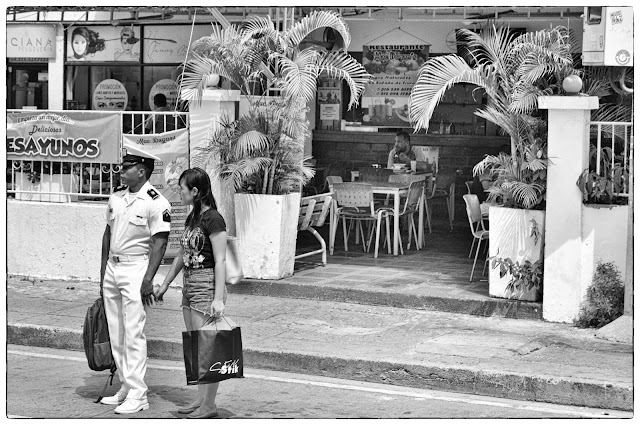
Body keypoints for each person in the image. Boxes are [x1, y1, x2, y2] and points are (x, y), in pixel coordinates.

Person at [99, 142, 171, 414]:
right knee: (116, 332)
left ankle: (139, 394)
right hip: (113, 267)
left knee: (133, 332)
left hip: (136, 269)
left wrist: (148, 280)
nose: (121, 170)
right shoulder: (116, 197)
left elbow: (160, 243)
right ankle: (126, 386)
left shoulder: (156, 202)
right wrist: (103, 273)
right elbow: (107, 235)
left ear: (141, 171)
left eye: (127, 167)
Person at [154, 167, 227, 419]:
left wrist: (218, 298)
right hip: (189, 284)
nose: (179, 192)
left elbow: (220, 260)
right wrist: (165, 284)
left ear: (195, 191)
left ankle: (210, 405)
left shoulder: (213, 219)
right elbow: (182, 255)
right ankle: (200, 400)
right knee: (196, 347)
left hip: (206, 285)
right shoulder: (193, 217)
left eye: (182, 189)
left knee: (208, 348)